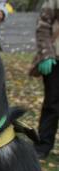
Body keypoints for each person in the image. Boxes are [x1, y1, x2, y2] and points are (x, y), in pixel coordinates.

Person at [29, 0, 59, 159]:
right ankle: (43, 146)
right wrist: (46, 54)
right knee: (52, 104)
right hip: (55, 60)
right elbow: (43, 25)